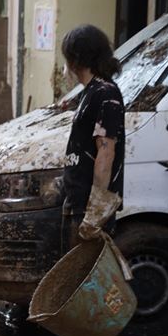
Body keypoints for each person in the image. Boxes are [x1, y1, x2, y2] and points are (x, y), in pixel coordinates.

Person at [59, 25, 124, 245]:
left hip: (89, 209)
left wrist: (95, 212)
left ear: (75, 59)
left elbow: (106, 153)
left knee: (87, 277)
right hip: (77, 202)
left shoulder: (106, 93)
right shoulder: (91, 92)